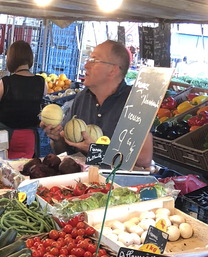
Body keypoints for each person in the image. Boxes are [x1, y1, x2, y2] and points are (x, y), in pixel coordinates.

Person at [41, 39, 153, 170]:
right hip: (79, 184)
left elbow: (144, 159)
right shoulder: (82, 97)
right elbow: (63, 150)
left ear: (113, 70)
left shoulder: (136, 102)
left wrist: (96, 151)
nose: (86, 65)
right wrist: (56, 139)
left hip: (115, 187)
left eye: (94, 61)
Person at [0, 40, 47, 138]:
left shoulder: (6, 82)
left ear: (11, 59)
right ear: (30, 58)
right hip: (29, 138)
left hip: (5, 137)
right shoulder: (41, 82)